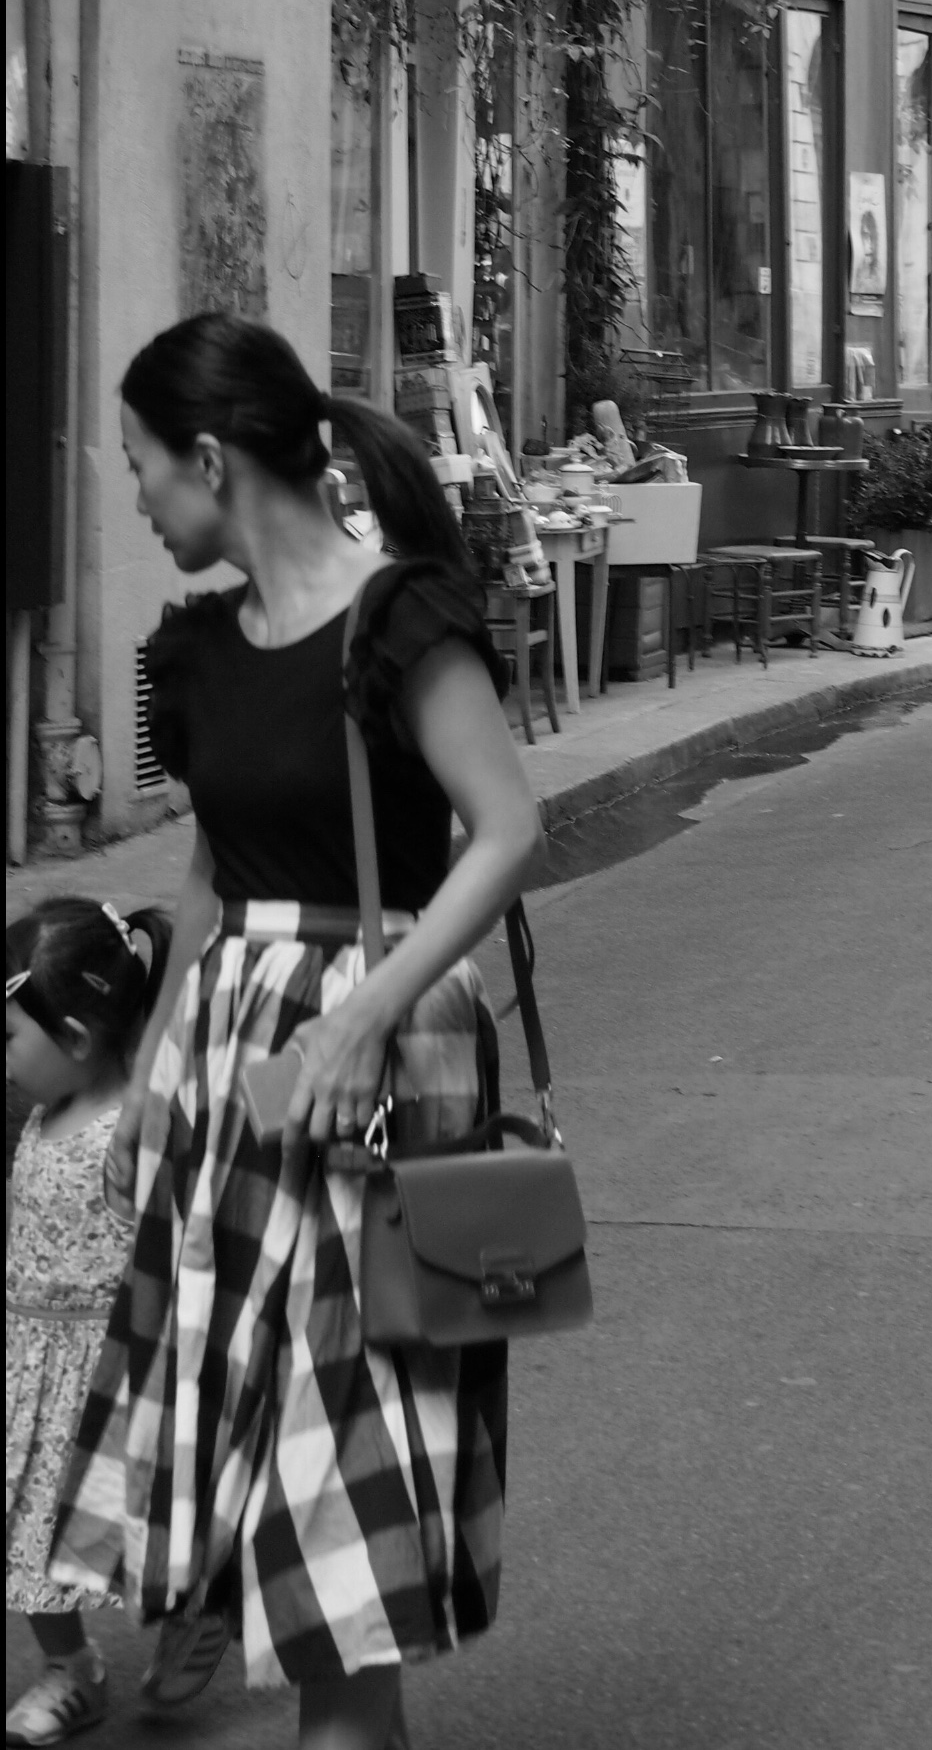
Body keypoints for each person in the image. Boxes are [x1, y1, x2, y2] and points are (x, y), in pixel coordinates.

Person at [49, 314, 541, 1750]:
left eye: (144, 464)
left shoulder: (404, 619)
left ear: (211, 458)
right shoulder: (189, 654)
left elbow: (507, 828)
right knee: (244, 1433)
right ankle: (230, 1625)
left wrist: (363, 1016)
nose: (136, 496)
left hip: (377, 1054)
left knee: (348, 1474)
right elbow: (212, 867)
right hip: (230, 1069)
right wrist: (151, 1075)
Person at [6, 899, 176, 1744]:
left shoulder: (130, 1135)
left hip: (113, 1377)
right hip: (30, 1374)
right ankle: (72, 1667)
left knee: (155, 1523)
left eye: (10, 1038)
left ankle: (194, 1614)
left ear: (74, 1038)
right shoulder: (37, 1121)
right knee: (26, 1532)